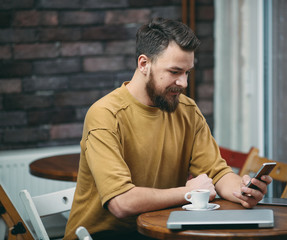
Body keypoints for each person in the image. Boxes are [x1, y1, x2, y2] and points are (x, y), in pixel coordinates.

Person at [64, 17, 272, 240]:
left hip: (158, 230)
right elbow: (121, 203)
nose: (183, 83)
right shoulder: (105, 115)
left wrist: (242, 191)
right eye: (174, 72)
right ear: (144, 64)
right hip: (102, 235)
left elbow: (217, 173)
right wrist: (189, 192)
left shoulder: (188, 111)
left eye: (187, 72)